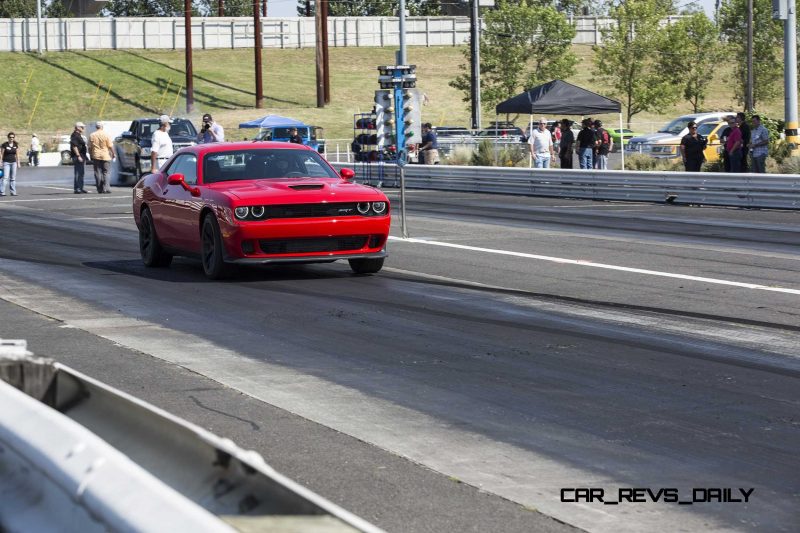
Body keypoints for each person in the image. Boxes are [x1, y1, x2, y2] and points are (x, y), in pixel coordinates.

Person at [89, 121, 116, 193]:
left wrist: (90, 154)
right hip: (105, 155)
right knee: (106, 172)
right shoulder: (106, 134)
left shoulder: (92, 135)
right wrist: (113, 154)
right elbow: (110, 146)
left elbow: (90, 147)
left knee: (97, 172)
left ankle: (99, 188)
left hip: (96, 155)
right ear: (102, 127)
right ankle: (107, 188)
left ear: (96, 127)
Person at [70, 122, 88, 194]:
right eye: (82, 127)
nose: (83, 128)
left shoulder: (78, 135)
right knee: (78, 172)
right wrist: (78, 156)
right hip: (78, 156)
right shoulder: (75, 135)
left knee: (81, 173)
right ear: (78, 127)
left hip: (81, 156)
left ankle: (80, 187)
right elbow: (74, 146)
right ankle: (77, 188)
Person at [0, 132, 21, 196]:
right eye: (10, 137)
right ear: (8, 137)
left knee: (13, 178)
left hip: (13, 162)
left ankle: (13, 192)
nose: (11, 138)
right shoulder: (4, 145)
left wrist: (18, 163)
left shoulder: (15, 145)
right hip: (6, 162)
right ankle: (2, 192)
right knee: (5, 178)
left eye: (13, 137)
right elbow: (1, 154)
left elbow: (17, 154)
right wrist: (0, 161)